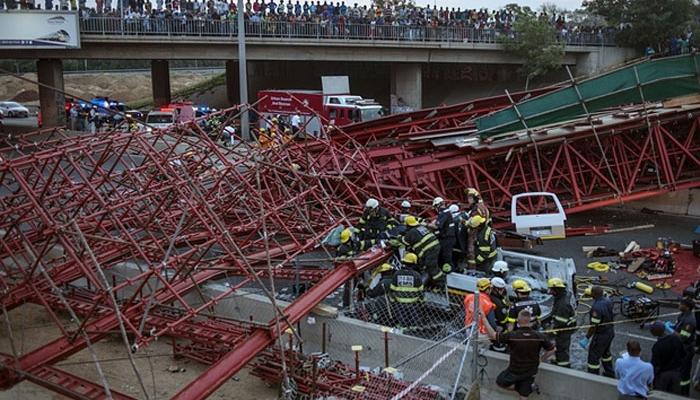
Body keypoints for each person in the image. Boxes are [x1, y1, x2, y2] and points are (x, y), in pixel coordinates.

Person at [482, 309, 555, 400]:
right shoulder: (539, 336)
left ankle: (520, 388)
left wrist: (484, 318)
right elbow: (552, 349)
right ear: (529, 321)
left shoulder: (512, 335)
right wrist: (541, 358)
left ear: (518, 321)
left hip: (514, 370)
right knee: (523, 397)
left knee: (500, 382)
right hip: (530, 371)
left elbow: (493, 335)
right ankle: (525, 389)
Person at [580, 286, 615, 377]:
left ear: (594, 294)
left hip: (601, 335)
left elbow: (594, 326)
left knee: (593, 356)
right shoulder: (608, 301)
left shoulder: (596, 307)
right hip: (610, 332)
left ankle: (593, 376)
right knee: (606, 354)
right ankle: (609, 373)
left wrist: (587, 338)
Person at [401, 216, 442, 286]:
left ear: (408, 225)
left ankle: (440, 283)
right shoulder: (421, 227)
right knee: (425, 265)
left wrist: (399, 237)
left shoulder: (411, 232)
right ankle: (431, 283)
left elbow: (404, 242)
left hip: (430, 250)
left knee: (431, 266)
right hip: (435, 246)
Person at [462, 188, 495, 272]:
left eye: (470, 198)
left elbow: (474, 221)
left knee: (471, 252)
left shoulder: (476, 209)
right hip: (482, 230)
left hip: (476, 232)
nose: (468, 200)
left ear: (475, 198)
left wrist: (465, 223)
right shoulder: (483, 207)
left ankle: (472, 269)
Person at [388, 256, 425, 330]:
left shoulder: (397, 274)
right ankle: (413, 328)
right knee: (414, 317)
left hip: (399, 301)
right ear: (414, 263)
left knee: (401, 317)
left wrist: (392, 300)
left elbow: (392, 289)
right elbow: (420, 291)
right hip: (413, 302)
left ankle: (403, 328)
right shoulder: (417, 275)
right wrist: (422, 301)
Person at [547, 277, 576, 368]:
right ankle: (559, 360)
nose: (550, 292)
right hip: (565, 328)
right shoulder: (562, 296)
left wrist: (552, 332)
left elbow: (560, 322)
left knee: (562, 348)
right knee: (560, 347)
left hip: (564, 330)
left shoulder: (563, 304)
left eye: (551, 289)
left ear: (557, 289)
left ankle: (563, 366)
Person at [650, 320, 684, 395]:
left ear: (654, 333)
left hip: (663, 375)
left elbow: (655, 365)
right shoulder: (676, 339)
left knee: (660, 395)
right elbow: (683, 354)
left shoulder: (657, 346)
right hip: (677, 373)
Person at [672, 297, 696, 395]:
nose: (679, 305)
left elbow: (683, 337)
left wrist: (671, 331)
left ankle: (683, 393)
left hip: (686, 350)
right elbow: (677, 327)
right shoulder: (683, 315)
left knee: (684, 373)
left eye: (681, 303)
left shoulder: (689, 321)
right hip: (681, 348)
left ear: (686, 307)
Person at [431, 197, 456, 276]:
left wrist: (427, 224)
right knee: (446, 257)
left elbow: (436, 226)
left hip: (446, 239)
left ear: (438, 205)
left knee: (446, 258)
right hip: (449, 238)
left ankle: (449, 274)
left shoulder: (443, 213)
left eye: (435, 207)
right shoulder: (447, 212)